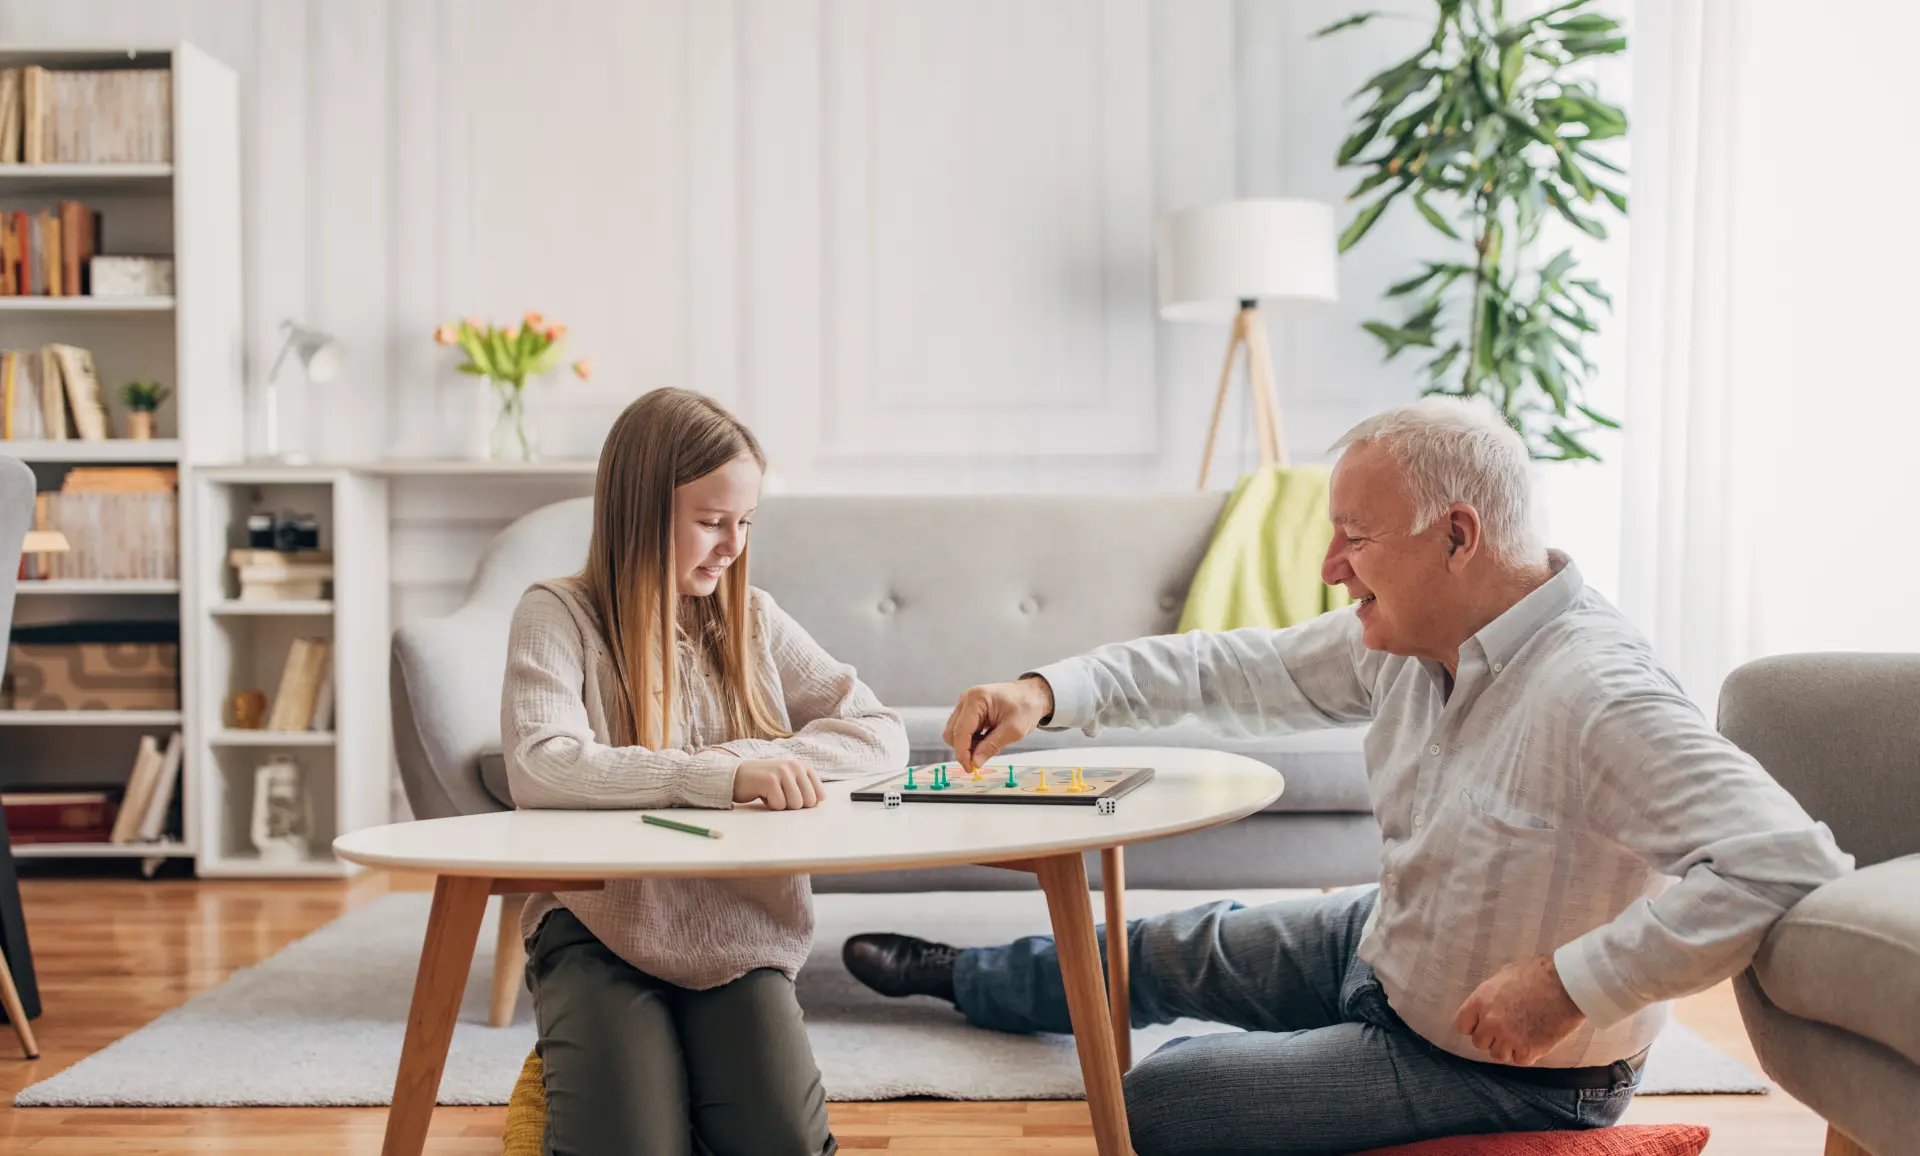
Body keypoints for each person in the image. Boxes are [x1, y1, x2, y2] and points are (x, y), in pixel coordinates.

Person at [841, 398, 1851, 1154]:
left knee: (1157, 1099)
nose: (1331, 564)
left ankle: (1322, 1057)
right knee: (1159, 948)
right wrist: (1044, 690)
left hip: (1496, 1064)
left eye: (1355, 538)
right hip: (1394, 945)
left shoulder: (1598, 692)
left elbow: (1784, 859)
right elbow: (1228, 667)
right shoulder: (1413, 637)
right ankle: (966, 978)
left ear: (1457, 536)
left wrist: (1570, 981)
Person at [503, 388, 908, 1156]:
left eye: (745, 522)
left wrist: (748, 760)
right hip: (599, 926)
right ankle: (592, 1061)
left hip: (738, 931)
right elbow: (540, 766)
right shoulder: (558, 614)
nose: (732, 546)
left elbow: (881, 734)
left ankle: (642, 1067)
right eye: (712, 521)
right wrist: (712, 780)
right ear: (639, 508)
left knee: (783, 1144)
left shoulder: (751, 617)